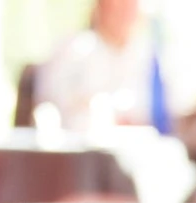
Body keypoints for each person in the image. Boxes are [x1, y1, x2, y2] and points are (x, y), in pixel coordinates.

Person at [34, 0, 170, 134]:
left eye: (129, 6)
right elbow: (49, 107)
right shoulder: (73, 50)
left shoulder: (148, 56)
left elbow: (159, 118)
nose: (123, 13)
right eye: (116, 6)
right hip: (78, 147)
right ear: (100, 7)